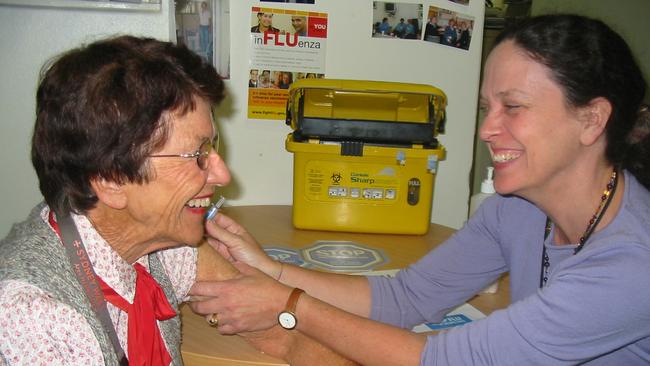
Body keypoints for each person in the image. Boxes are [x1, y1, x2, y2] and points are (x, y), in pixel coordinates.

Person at [189, 14, 650, 365]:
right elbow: (406, 298)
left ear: (591, 120)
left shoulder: (633, 264)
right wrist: (272, 271)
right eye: (488, 107)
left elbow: (442, 359)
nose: (487, 129)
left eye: (513, 107)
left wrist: (287, 306)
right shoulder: (518, 207)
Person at [0, 35, 352, 366]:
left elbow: (281, 335)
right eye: (197, 154)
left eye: (212, 147)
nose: (222, 175)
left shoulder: (163, 242)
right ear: (111, 179)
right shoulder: (35, 317)